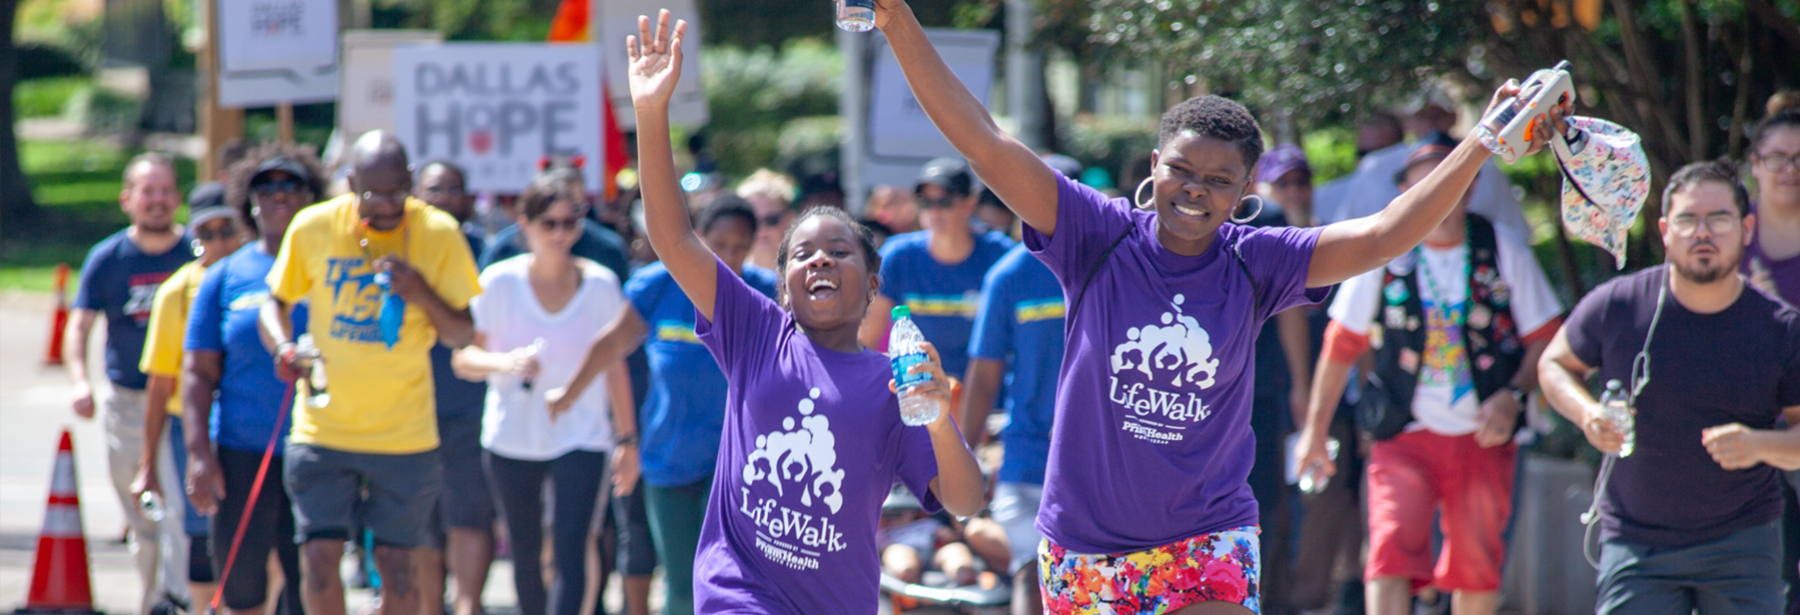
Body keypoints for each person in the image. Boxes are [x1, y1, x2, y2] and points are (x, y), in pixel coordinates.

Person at [869, 1, 1561, 611]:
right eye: (1181, 170)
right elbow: (984, 143)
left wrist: (1480, 143)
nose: (1195, 190)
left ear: (1244, 189)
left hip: (1207, 541)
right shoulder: (1095, 234)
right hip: (1083, 548)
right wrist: (896, 16)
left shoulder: (1258, 260)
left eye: (1219, 180)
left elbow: (1384, 233)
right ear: (1153, 165)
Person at [626, 13, 985, 612]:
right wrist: (650, 110)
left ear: (872, 285)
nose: (819, 261)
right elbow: (673, 237)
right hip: (734, 596)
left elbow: (966, 500)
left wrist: (940, 418)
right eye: (803, 254)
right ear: (783, 285)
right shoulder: (756, 331)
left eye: (838, 252)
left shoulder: (890, 385)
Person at [1297, 135, 1565, 615]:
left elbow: (1547, 333)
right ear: (1404, 191)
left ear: (1470, 186)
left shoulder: (1499, 246)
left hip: (1483, 433)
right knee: (1389, 553)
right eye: (1424, 181)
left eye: (1450, 178)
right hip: (1403, 432)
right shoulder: (1381, 248)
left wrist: (1514, 394)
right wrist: (1315, 433)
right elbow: (1342, 345)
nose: (1439, 193)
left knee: (1478, 564)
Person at [1538, 160, 1800, 615]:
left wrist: (1759, 444)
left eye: (1719, 218)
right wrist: (1587, 414)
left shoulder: (1780, 328)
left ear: (1746, 227)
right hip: (1638, 544)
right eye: (1687, 219)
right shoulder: (1619, 305)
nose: (1703, 232)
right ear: (1664, 229)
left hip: (1743, 542)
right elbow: (1554, 365)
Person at [260, 131, 481, 615]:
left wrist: (420, 291)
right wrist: (283, 346)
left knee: (398, 568)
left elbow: (463, 334)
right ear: (350, 182)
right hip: (323, 428)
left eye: (396, 192)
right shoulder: (314, 226)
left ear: (410, 181)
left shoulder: (439, 232)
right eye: (372, 193)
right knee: (318, 560)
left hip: (403, 436)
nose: (385, 205)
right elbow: (273, 304)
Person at [546, 196, 777, 615]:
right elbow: (612, 343)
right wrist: (570, 392)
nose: (728, 256)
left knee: (727, 576)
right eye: (718, 243)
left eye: (739, 246)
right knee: (682, 578)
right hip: (667, 455)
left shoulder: (763, 293)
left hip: (737, 462)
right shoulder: (659, 285)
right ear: (698, 239)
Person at [449, 174, 637, 615]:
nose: (559, 234)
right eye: (548, 223)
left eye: (569, 223)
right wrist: (505, 362)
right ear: (524, 225)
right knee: (525, 551)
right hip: (511, 435)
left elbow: (615, 366)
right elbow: (464, 359)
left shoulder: (602, 285)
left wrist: (627, 441)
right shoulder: (498, 282)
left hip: (582, 433)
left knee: (572, 546)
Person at [183, 145, 326, 615]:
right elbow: (198, 375)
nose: (279, 195)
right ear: (250, 200)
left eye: (292, 186)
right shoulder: (225, 277)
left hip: (320, 447)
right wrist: (200, 455)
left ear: (312, 197)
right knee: (243, 586)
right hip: (243, 449)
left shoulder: (334, 269)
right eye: (267, 186)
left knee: (312, 580)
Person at [65, 152, 196, 615]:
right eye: (148, 192)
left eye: (165, 191)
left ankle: (176, 602)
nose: (157, 201)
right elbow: (78, 326)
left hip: (183, 403)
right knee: (143, 519)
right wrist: (81, 382)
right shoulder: (108, 258)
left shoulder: (196, 252)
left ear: (177, 198)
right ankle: (150, 602)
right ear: (128, 200)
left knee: (179, 513)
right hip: (127, 403)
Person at [133, 182, 245, 608]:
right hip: (191, 423)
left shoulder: (260, 275)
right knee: (202, 526)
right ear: (194, 238)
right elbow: (160, 383)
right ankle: (202, 607)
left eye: (227, 230)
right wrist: (148, 465)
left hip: (247, 417)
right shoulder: (177, 292)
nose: (219, 242)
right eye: (208, 233)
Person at [957, 239, 1065, 615]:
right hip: (1027, 460)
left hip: (1102, 461)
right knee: (1032, 567)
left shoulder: (1109, 259)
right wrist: (963, 463)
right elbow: (984, 377)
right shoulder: (1008, 275)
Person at [409, 160, 495, 615]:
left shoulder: (488, 251)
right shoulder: (399, 250)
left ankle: (468, 606)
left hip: (470, 406)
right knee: (421, 522)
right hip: (410, 405)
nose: (443, 198)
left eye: (453, 189)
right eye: (433, 189)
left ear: (468, 198)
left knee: (468, 514)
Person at [858, 157, 1016, 373]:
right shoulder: (898, 256)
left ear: (970, 203)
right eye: (925, 202)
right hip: (921, 393)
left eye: (944, 202)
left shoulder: (1000, 254)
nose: (934, 212)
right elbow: (867, 338)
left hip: (990, 399)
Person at [1744, 110, 1800, 302]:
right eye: (1777, 157)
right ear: (1755, 164)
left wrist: (1781, 316)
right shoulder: (1727, 231)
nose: (1791, 168)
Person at [739, 169, 799, 272]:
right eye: (752, 221)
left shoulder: (805, 274)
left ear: (789, 220)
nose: (761, 231)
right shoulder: (727, 277)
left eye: (771, 220)